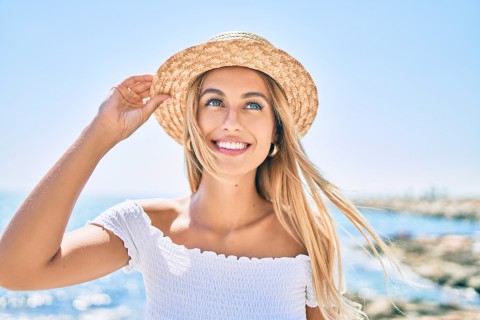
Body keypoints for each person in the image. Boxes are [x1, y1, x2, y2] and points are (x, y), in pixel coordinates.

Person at [0, 31, 398, 320]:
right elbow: (15, 271)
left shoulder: (305, 237)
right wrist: (100, 135)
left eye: (253, 105)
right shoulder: (146, 227)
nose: (230, 121)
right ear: (193, 122)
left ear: (276, 132)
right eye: (214, 101)